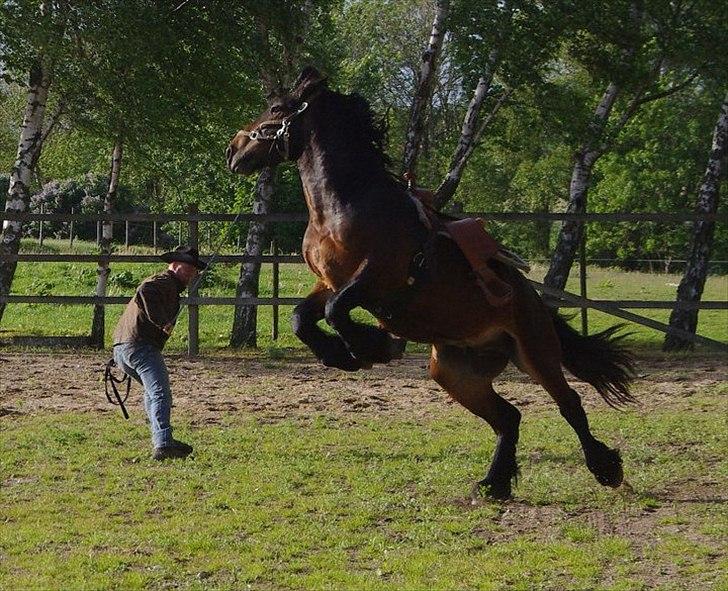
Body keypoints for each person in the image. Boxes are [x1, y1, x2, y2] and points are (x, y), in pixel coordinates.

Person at [112, 245, 207, 460]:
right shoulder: (164, 282)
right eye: (188, 269)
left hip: (123, 348)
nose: (191, 274)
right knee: (160, 393)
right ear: (173, 265)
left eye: (194, 271)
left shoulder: (169, 284)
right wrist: (162, 321)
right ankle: (163, 443)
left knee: (152, 392)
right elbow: (145, 291)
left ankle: (162, 438)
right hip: (140, 347)